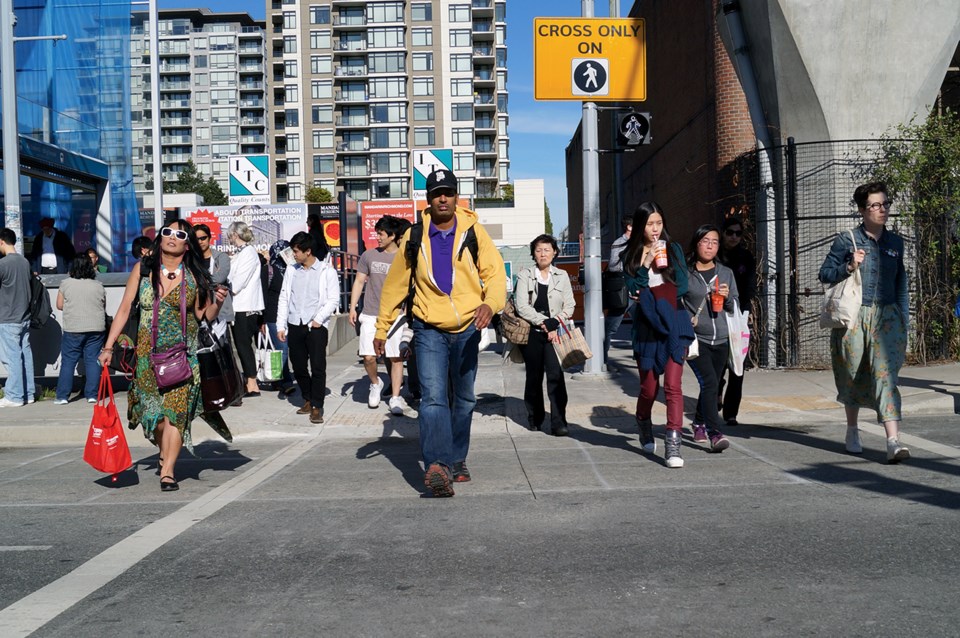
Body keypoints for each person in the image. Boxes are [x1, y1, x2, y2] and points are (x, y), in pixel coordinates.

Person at [374, 168, 506, 497]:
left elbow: (495, 274)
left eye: (448, 192)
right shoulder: (414, 236)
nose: (442, 198)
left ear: (457, 196)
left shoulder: (475, 232)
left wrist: (490, 304)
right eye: (436, 193)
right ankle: (437, 465)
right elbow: (395, 286)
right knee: (433, 398)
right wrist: (382, 326)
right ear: (428, 199)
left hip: (467, 327)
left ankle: (457, 458)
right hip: (428, 326)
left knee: (463, 399)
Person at [97, 219, 229, 491]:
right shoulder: (143, 269)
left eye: (179, 234)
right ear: (160, 237)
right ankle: (163, 450)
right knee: (155, 418)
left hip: (183, 356)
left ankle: (168, 470)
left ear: (187, 243)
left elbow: (204, 316)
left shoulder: (195, 276)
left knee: (176, 415)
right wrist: (108, 346)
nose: (172, 237)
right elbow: (123, 310)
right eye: (167, 231)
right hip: (147, 357)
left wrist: (219, 301)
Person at [818, 181, 910, 463]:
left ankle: (893, 441)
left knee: (886, 377)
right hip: (854, 318)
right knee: (853, 375)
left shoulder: (896, 242)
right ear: (862, 210)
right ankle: (852, 430)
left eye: (885, 204)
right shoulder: (847, 240)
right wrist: (849, 266)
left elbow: (901, 283)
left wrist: (903, 319)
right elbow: (825, 274)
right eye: (875, 205)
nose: (882, 210)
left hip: (887, 317)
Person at [622, 202, 693, 468]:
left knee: (673, 387)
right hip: (646, 329)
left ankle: (673, 444)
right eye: (650, 224)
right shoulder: (630, 254)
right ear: (640, 226)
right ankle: (643, 422)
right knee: (649, 389)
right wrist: (646, 263)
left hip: (674, 320)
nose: (655, 229)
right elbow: (633, 288)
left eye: (659, 223)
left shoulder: (672, 248)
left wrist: (661, 276)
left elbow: (683, 285)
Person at [349, 215, 413, 414]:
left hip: (395, 315)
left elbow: (410, 286)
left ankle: (395, 397)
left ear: (393, 236)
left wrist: (406, 311)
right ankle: (375, 383)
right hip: (370, 313)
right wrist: (352, 307)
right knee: (368, 357)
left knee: (396, 358)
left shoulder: (404, 258)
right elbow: (359, 281)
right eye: (377, 233)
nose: (377, 237)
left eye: (381, 234)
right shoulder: (368, 255)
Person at [684, 224, 739, 453]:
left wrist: (726, 298)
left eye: (714, 242)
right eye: (705, 241)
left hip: (722, 338)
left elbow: (734, 304)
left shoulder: (725, 272)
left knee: (712, 385)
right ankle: (715, 433)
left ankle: (698, 422)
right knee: (709, 383)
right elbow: (677, 302)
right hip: (697, 339)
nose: (710, 245)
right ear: (697, 244)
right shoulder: (686, 274)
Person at [513, 234, 576, 436]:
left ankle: (559, 421)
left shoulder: (562, 276)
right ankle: (535, 417)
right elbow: (521, 305)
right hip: (532, 333)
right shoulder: (525, 276)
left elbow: (570, 305)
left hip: (555, 333)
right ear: (533, 253)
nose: (543, 254)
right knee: (534, 376)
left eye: (547, 249)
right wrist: (542, 322)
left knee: (556, 376)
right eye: (539, 250)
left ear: (554, 252)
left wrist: (555, 322)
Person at [276, 231, 341, 424]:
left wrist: (319, 319)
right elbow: (284, 297)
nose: (294, 254)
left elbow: (333, 299)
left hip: (316, 326)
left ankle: (316, 406)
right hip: (295, 323)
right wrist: (281, 324)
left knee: (318, 367)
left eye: (296, 251)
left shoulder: (326, 271)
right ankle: (307, 398)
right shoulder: (291, 270)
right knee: (298, 365)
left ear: (308, 251)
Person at [717, 216, 756, 425]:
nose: (733, 237)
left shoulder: (746, 257)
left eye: (738, 233)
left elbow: (750, 286)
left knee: (738, 363)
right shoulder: (716, 256)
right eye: (730, 232)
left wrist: (743, 312)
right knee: (719, 362)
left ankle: (731, 412)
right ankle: (716, 392)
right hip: (717, 312)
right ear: (723, 233)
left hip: (739, 313)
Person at [54, 253, 106, 404]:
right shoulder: (98, 285)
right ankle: (92, 395)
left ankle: (62, 396)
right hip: (96, 328)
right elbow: (103, 306)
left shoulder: (66, 283)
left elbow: (59, 305)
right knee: (93, 360)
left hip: (73, 328)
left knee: (69, 361)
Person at [226, 221, 265, 397]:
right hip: (241, 306)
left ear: (236, 234)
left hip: (246, 306)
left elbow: (237, 282)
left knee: (243, 345)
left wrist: (226, 285)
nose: (229, 239)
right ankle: (251, 381)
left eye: (230, 235)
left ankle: (252, 382)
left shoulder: (248, 253)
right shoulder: (242, 253)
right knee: (242, 345)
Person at [0, 228, 35, 408]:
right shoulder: (24, 262)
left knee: (12, 357)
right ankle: (28, 393)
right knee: (25, 355)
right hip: (24, 316)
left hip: (8, 317)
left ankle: (14, 396)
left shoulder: (3, 264)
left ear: (1, 242)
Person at [261, 240, 296, 395]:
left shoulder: (294, 269)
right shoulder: (268, 270)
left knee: (284, 349)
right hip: (273, 316)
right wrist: (261, 319)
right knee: (282, 348)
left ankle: (277, 380)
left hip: (292, 316)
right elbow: (263, 295)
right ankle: (286, 382)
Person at [194, 224, 234, 339]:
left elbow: (220, 278)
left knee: (221, 350)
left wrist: (198, 282)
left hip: (218, 310)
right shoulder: (191, 259)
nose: (200, 241)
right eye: (196, 239)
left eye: (203, 238)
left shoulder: (221, 257)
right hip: (197, 311)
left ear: (209, 238)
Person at [603, 214, 633, 365]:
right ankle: (603, 360)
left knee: (643, 326)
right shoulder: (619, 243)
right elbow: (613, 266)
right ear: (629, 227)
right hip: (623, 292)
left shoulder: (641, 242)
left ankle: (641, 357)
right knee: (611, 327)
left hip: (639, 292)